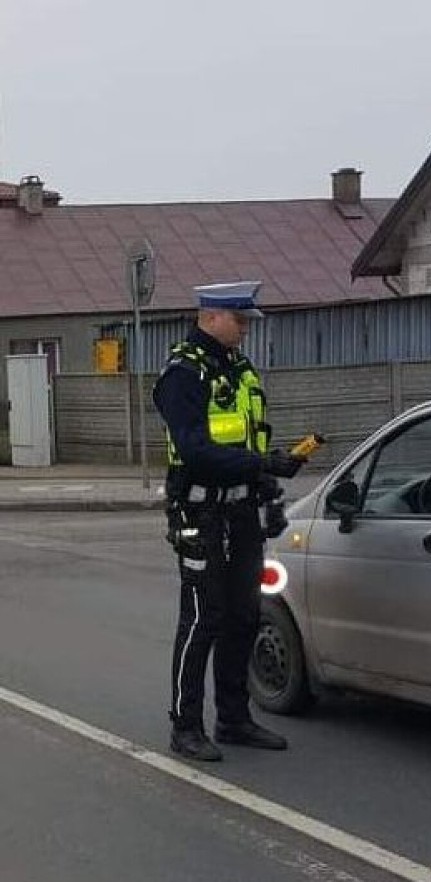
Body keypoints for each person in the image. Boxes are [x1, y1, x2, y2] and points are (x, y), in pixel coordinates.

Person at [153, 281, 304, 762]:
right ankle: (185, 725)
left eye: (246, 322)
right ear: (211, 316)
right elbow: (195, 450)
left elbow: (250, 438)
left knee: (244, 614)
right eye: (238, 321)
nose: (244, 330)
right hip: (200, 510)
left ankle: (234, 718)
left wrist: (268, 488)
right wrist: (261, 466)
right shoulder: (183, 373)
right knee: (202, 620)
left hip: (241, 511)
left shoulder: (238, 369)